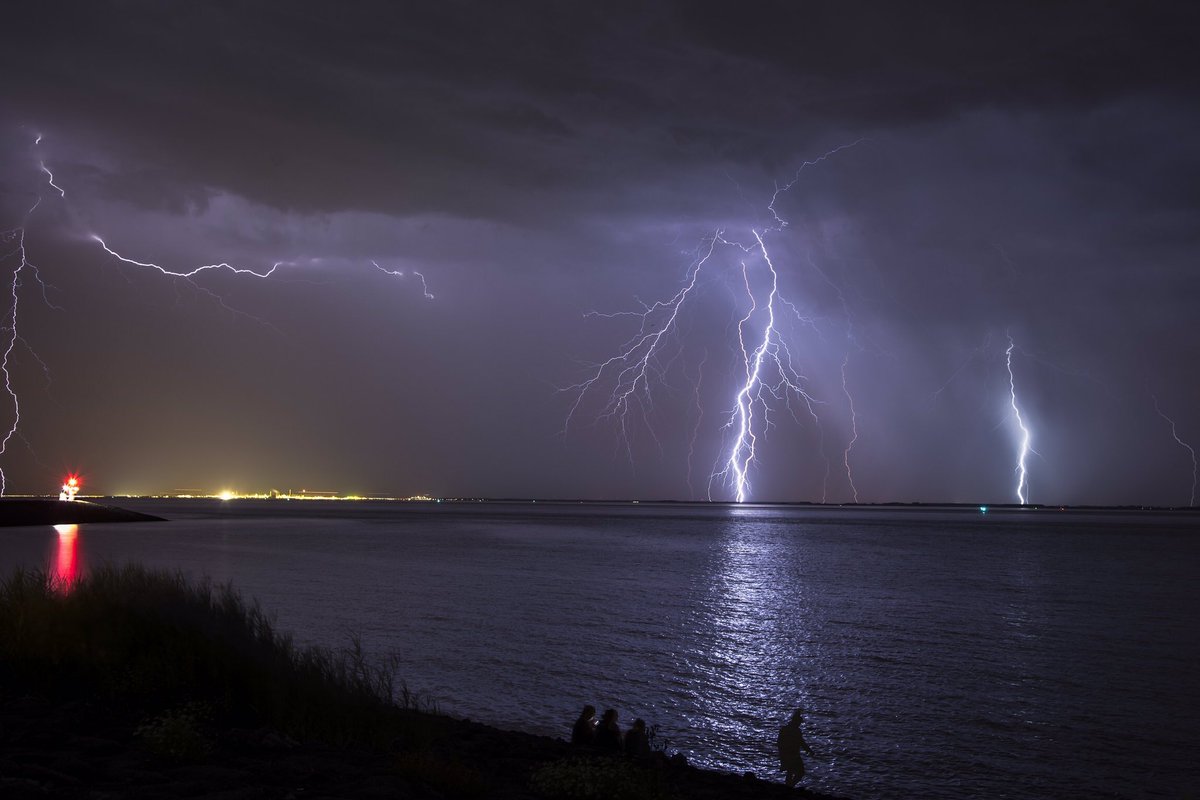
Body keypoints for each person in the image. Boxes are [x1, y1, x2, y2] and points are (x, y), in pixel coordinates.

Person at [777, 708, 815, 787]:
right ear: (796, 721)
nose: (800, 724)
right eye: (799, 722)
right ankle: (790, 786)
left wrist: (781, 754)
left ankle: (789, 786)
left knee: (790, 771)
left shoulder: (785, 729)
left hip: (786, 754)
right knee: (799, 772)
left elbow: (779, 743)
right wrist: (809, 751)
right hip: (793, 755)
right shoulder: (796, 731)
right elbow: (801, 742)